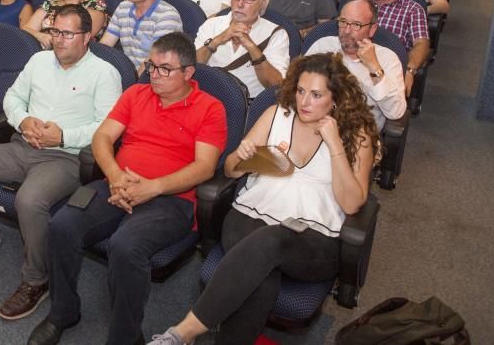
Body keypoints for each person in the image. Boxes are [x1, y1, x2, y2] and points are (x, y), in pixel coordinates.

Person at [148, 53, 378, 345]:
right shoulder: (275, 115)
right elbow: (230, 171)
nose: (304, 101)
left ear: (336, 99)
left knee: (270, 244)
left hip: (314, 238)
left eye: (316, 94)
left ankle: (184, 332)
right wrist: (242, 158)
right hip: (248, 218)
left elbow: (351, 204)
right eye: (300, 91)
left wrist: (334, 144)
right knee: (261, 275)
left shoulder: (356, 136)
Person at [30, 33, 227, 345]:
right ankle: (63, 312)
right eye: (151, 66)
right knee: (62, 225)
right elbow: (102, 138)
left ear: (189, 73)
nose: (154, 74)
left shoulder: (210, 108)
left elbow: (204, 167)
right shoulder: (136, 93)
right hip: (117, 183)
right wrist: (115, 175)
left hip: (171, 200)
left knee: (125, 246)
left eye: (165, 69)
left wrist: (152, 188)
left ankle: (124, 337)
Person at [0, 5, 122, 321]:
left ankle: (36, 280)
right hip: (22, 145)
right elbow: (12, 98)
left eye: (67, 33)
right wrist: (24, 121)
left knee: (29, 200)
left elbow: (106, 128)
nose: (59, 40)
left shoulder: (105, 74)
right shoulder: (38, 60)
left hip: (65, 158)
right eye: (55, 32)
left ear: (88, 37)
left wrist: (62, 135)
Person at [305, 0, 407, 133]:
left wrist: (373, 67)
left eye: (356, 25)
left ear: (372, 29)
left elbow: (395, 112)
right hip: (312, 127)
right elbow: (297, 86)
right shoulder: (322, 46)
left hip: (357, 135)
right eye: (343, 22)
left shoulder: (387, 59)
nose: (347, 31)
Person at [194, 0, 290, 98]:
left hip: (249, 106)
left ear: (263, 2)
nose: (239, 4)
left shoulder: (276, 34)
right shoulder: (211, 25)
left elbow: (276, 85)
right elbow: (190, 68)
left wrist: (252, 47)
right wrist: (216, 41)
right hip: (208, 99)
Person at [356, 0, 430, 95]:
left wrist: (410, 70)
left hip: (388, 71)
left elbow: (422, 44)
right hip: (355, 65)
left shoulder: (412, 9)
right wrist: (360, 5)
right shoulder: (360, 2)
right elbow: (341, 33)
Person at [100, 0, 182, 72]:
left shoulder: (167, 16)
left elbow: (152, 63)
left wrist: (131, 86)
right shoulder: (123, 7)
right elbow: (105, 46)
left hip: (156, 77)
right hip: (129, 74)